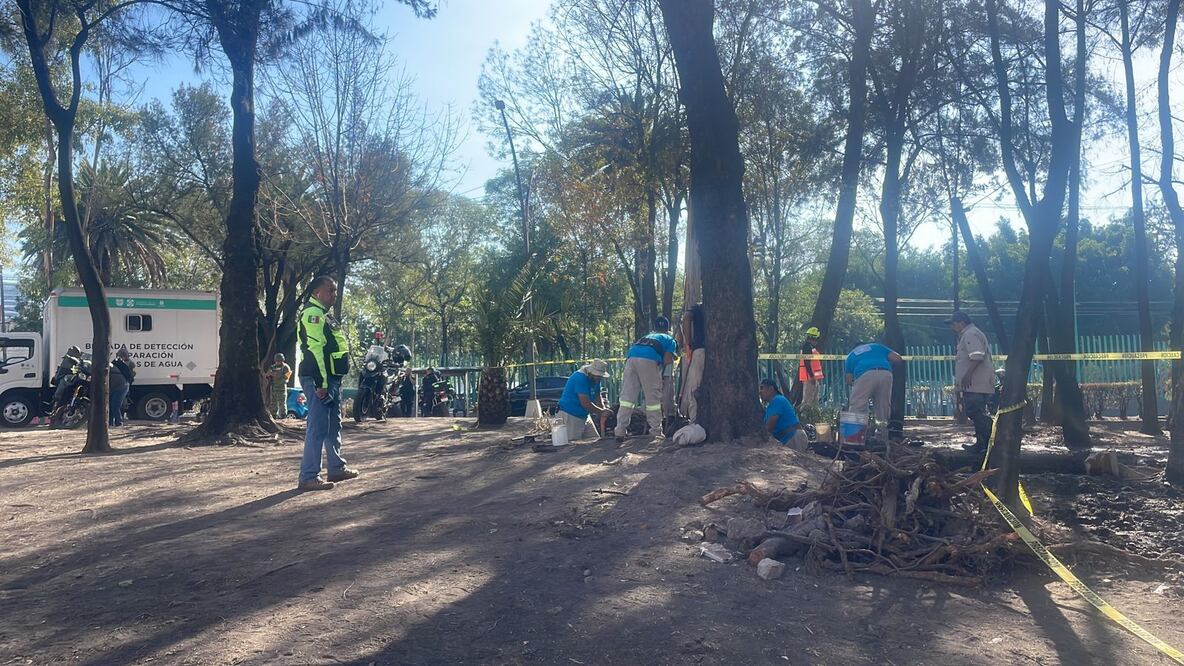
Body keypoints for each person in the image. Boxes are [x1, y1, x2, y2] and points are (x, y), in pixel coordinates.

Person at [297, 276, 357, 491]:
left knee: (333, 425)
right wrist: (321, 383)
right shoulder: (313, 314)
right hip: (318, 378)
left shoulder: (324, 315)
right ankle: (308, 476)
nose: (334, 295)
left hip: (331, 378)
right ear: (316, 293)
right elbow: (315, 350)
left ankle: (336, 468)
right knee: (318, 427)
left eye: (334, 290)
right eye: (330, 291)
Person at [614, 316, 678, 442]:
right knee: (652, 398)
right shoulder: (670, 339)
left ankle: (620, 430)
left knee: (627, 397)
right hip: (649, 361)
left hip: (631, 359)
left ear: (654, 328)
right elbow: (667, 359)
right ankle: (655, 431)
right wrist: (673, 358)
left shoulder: (647, 337)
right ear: (668, 329)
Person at [948, 311, 995, 454]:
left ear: (961, 322)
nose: (952, 327)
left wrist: (968, 374)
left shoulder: (970, 334)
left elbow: (977, 356)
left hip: (975, 382)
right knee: (975, 411)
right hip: (976, 382)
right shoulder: (970, 333)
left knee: (974, 411)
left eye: (953, 323)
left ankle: (993, 436)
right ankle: (982, 444)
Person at [844, 341, 904, 424]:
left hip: (864, 374)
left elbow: (849, 379)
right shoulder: (877, 346)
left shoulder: (851, 355)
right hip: (885, 373)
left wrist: (859, 386)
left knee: (858, 404)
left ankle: (857, 431)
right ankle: (882, 431)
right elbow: (898, 358)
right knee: (883, 405)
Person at [557, 359, 612, 441]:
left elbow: (597, 396)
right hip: (570, 415)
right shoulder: (580, 378)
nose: (599, 378)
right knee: (572, 445)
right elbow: (585, 403)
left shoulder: (596, 380)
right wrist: (601, 412)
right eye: (598, 375)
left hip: (584, 415)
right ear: (591, 373)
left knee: (594, 441)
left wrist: (603, 410)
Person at [760, 378, 807, 450]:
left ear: (771, 389)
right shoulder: (770, 406)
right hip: (788, 438)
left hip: (794, 437)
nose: (760, 392)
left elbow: (770, 426)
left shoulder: (777, 400)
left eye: (762, 388)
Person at [678, 303, 707, 422]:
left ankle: (694, 420)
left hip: (700, 350)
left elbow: (686, 317)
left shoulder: (699, 307)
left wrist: (688, 343)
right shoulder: (722, 305)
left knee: (694, 387)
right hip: (719, 352)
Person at [798, 327, 825, 409]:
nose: (817, 341)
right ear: (813, 337)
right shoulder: (807, 347)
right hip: (809, 378)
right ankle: (804, 418)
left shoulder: (811, 348)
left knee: (814, 401)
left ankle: (812, 418)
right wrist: (812, 376)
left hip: (813, 378)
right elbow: (807, 362)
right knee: (807, 401)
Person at [109, 348, 135, 427]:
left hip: (121, 386)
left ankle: (118, 422)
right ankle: (110, 422)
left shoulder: (129, 364)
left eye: (122, 355)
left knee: (115, 405)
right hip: (117, 386)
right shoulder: (116, 363)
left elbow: (131, 376)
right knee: (112, 405)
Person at [265, 353, 292, 420]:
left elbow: (286, 379)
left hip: (281, 388)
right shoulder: (272, 367)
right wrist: (269, 374)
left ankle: (283, 416)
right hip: (273, 388)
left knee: (282, 404)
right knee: (273, 403)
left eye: (279, 360)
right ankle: (273, 415)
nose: (278, 362)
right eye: (276, 361)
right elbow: (267, 375)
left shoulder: (286, 367)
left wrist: (277, 377)